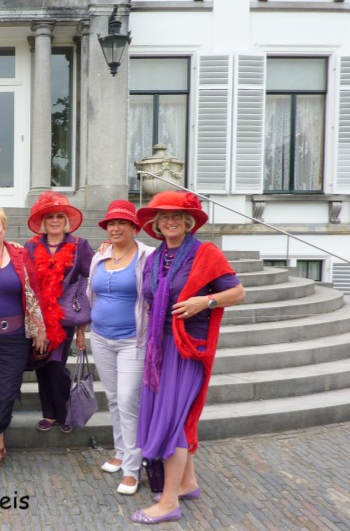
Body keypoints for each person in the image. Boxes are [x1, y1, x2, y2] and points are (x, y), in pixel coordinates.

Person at [130, 191, 245, 524]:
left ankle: (169, 502)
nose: (170, 222)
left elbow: (237, 292)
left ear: (188, 221)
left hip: (187, 348)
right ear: (156, 224)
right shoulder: (155, 257)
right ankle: (187, 483)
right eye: (164, 217)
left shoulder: (206, 253)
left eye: (177, 216)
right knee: (173, 417)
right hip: (159, 348)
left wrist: (205, 302)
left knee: (172, 422)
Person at [0, 201, 48, 470]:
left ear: (4, 228)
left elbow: (33, 292)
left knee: (4, 392)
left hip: (12, 340)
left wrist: (39, 329)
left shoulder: (19, 253)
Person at [87, 200, 155, 495]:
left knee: (128, 401)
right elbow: (92, 292)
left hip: (133, 340)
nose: (115, 228)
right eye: (111, 223)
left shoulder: (147, 256)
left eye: (122, 223)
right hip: (101, 337)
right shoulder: (100, 255)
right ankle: (121, 451)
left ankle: (132, 468)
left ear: (134, 227)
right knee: (114, 398)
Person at [24, 191, 93, 434]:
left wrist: (82, 330)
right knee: (42, 365)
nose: (55, 220)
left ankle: (64, 413)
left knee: (55, 365)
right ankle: (49, 414)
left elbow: (89, 284)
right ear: (43, 221)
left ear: (66, 220)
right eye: (50, 216)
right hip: (37, 317)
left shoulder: (80, 246)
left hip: (64, 319)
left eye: (59, 216)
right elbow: (26, 283)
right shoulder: (31, 247)